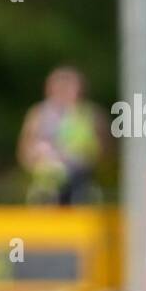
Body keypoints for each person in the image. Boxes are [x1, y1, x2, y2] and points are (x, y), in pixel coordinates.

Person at [16, 65, 104, 205]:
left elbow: (103, 150)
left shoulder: (91, 114)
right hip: (47, 180)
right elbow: (25, 151)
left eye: (69, 86)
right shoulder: (38, 114)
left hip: (81, 178)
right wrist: (41, 160)